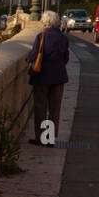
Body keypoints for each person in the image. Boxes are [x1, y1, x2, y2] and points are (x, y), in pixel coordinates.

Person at [27, 9, 70, 145]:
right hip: (58, 77)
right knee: (54, 109)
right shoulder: (64, 38)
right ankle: (50, 139)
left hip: (42, 77)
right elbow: (65, 58)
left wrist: (28, 60)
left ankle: (41, 138)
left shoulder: (41, 36)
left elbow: (34, 55)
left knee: (41, 108)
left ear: (45, 23)